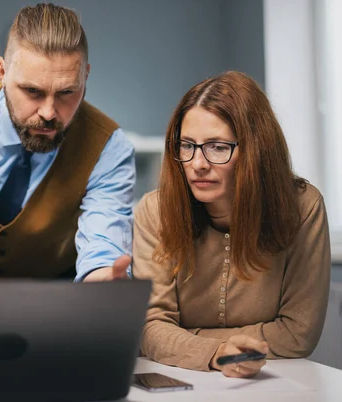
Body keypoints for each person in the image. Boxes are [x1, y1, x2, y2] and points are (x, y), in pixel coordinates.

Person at [133, 71, 331, 378]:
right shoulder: (154, 211)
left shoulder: (304, 208)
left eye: (217, 147)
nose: (197, 163)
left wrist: (186, 339)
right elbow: (149, 328)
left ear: (255, 151)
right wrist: (216, 354)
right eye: (187, 145)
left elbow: (297, 335)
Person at [0, 3, 135, 282]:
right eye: (32, 91)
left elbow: (102, 244)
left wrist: (103, 277)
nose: (49, 112)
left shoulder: (109, 148)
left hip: (49, 304)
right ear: (2, 71)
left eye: (66, 92)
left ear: (86, 76)